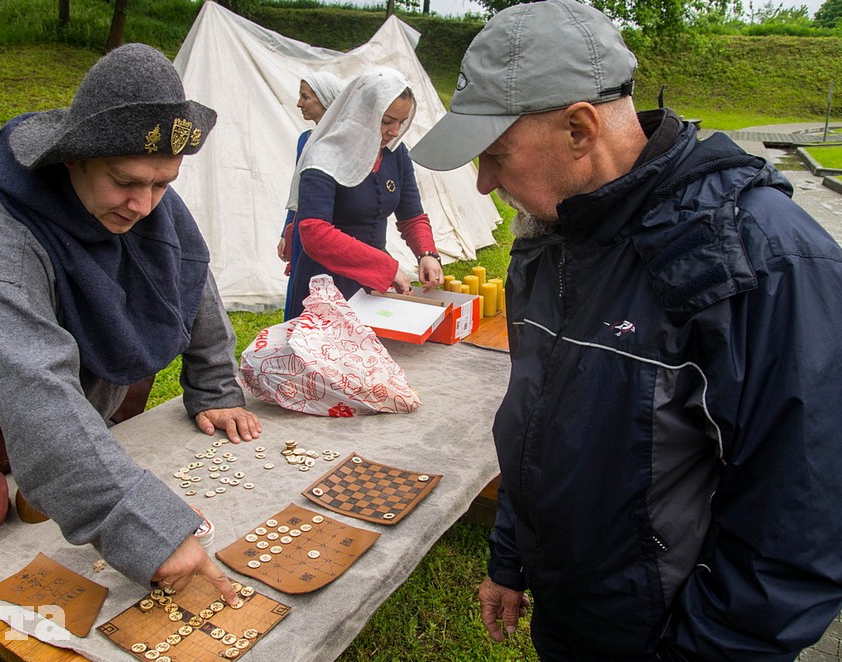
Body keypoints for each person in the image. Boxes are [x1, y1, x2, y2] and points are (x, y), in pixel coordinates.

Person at [410, 0, 842, 659]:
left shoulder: (763, 260)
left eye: (495, 155)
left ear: (580, 130)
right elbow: (535, 421)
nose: (484, 182)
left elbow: (799, 525)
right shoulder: (549, 237)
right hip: (572, 618)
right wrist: (510, 558)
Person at [0, 44, 262, 655]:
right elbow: (35, 393)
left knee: (74, 608)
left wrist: (213, 383)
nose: (145, 204)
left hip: (82, 428)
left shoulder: (148, 199)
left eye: (162, 183)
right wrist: (146, 529)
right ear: (73, 158)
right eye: (126, 182)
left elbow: (191, 280)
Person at [283, 67, 443, 320]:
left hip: (372, 282)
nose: (394, 132)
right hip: (326, 283)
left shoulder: (396, 153)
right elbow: (315, 231)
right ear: (364, 114)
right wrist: (384, 268)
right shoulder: (325, 155)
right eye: (387, 121)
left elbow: (412, 215)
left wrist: (427, 253)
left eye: (401, 123)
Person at [278, 71, 343, 317]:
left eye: (305, 97)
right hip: (304, 231)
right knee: (300, 294)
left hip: (331, 232)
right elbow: (299, 190)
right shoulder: (305, 140)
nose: (299, 103)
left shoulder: (344, 142)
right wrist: (287, 230)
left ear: (326, 101)